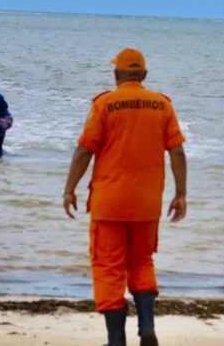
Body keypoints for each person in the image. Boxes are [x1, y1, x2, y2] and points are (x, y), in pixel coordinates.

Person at [63, 48, 187, 346]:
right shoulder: (162, 105)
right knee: (142, 261)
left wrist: (69, 189)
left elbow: (84, 150)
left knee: (108, 267)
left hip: (109, 203)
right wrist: (181, 194)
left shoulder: (105, 104)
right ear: (143, 75)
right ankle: (146, 327)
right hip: (147, 204)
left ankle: (116, 339)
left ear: (116, 74)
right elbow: (178, 152)